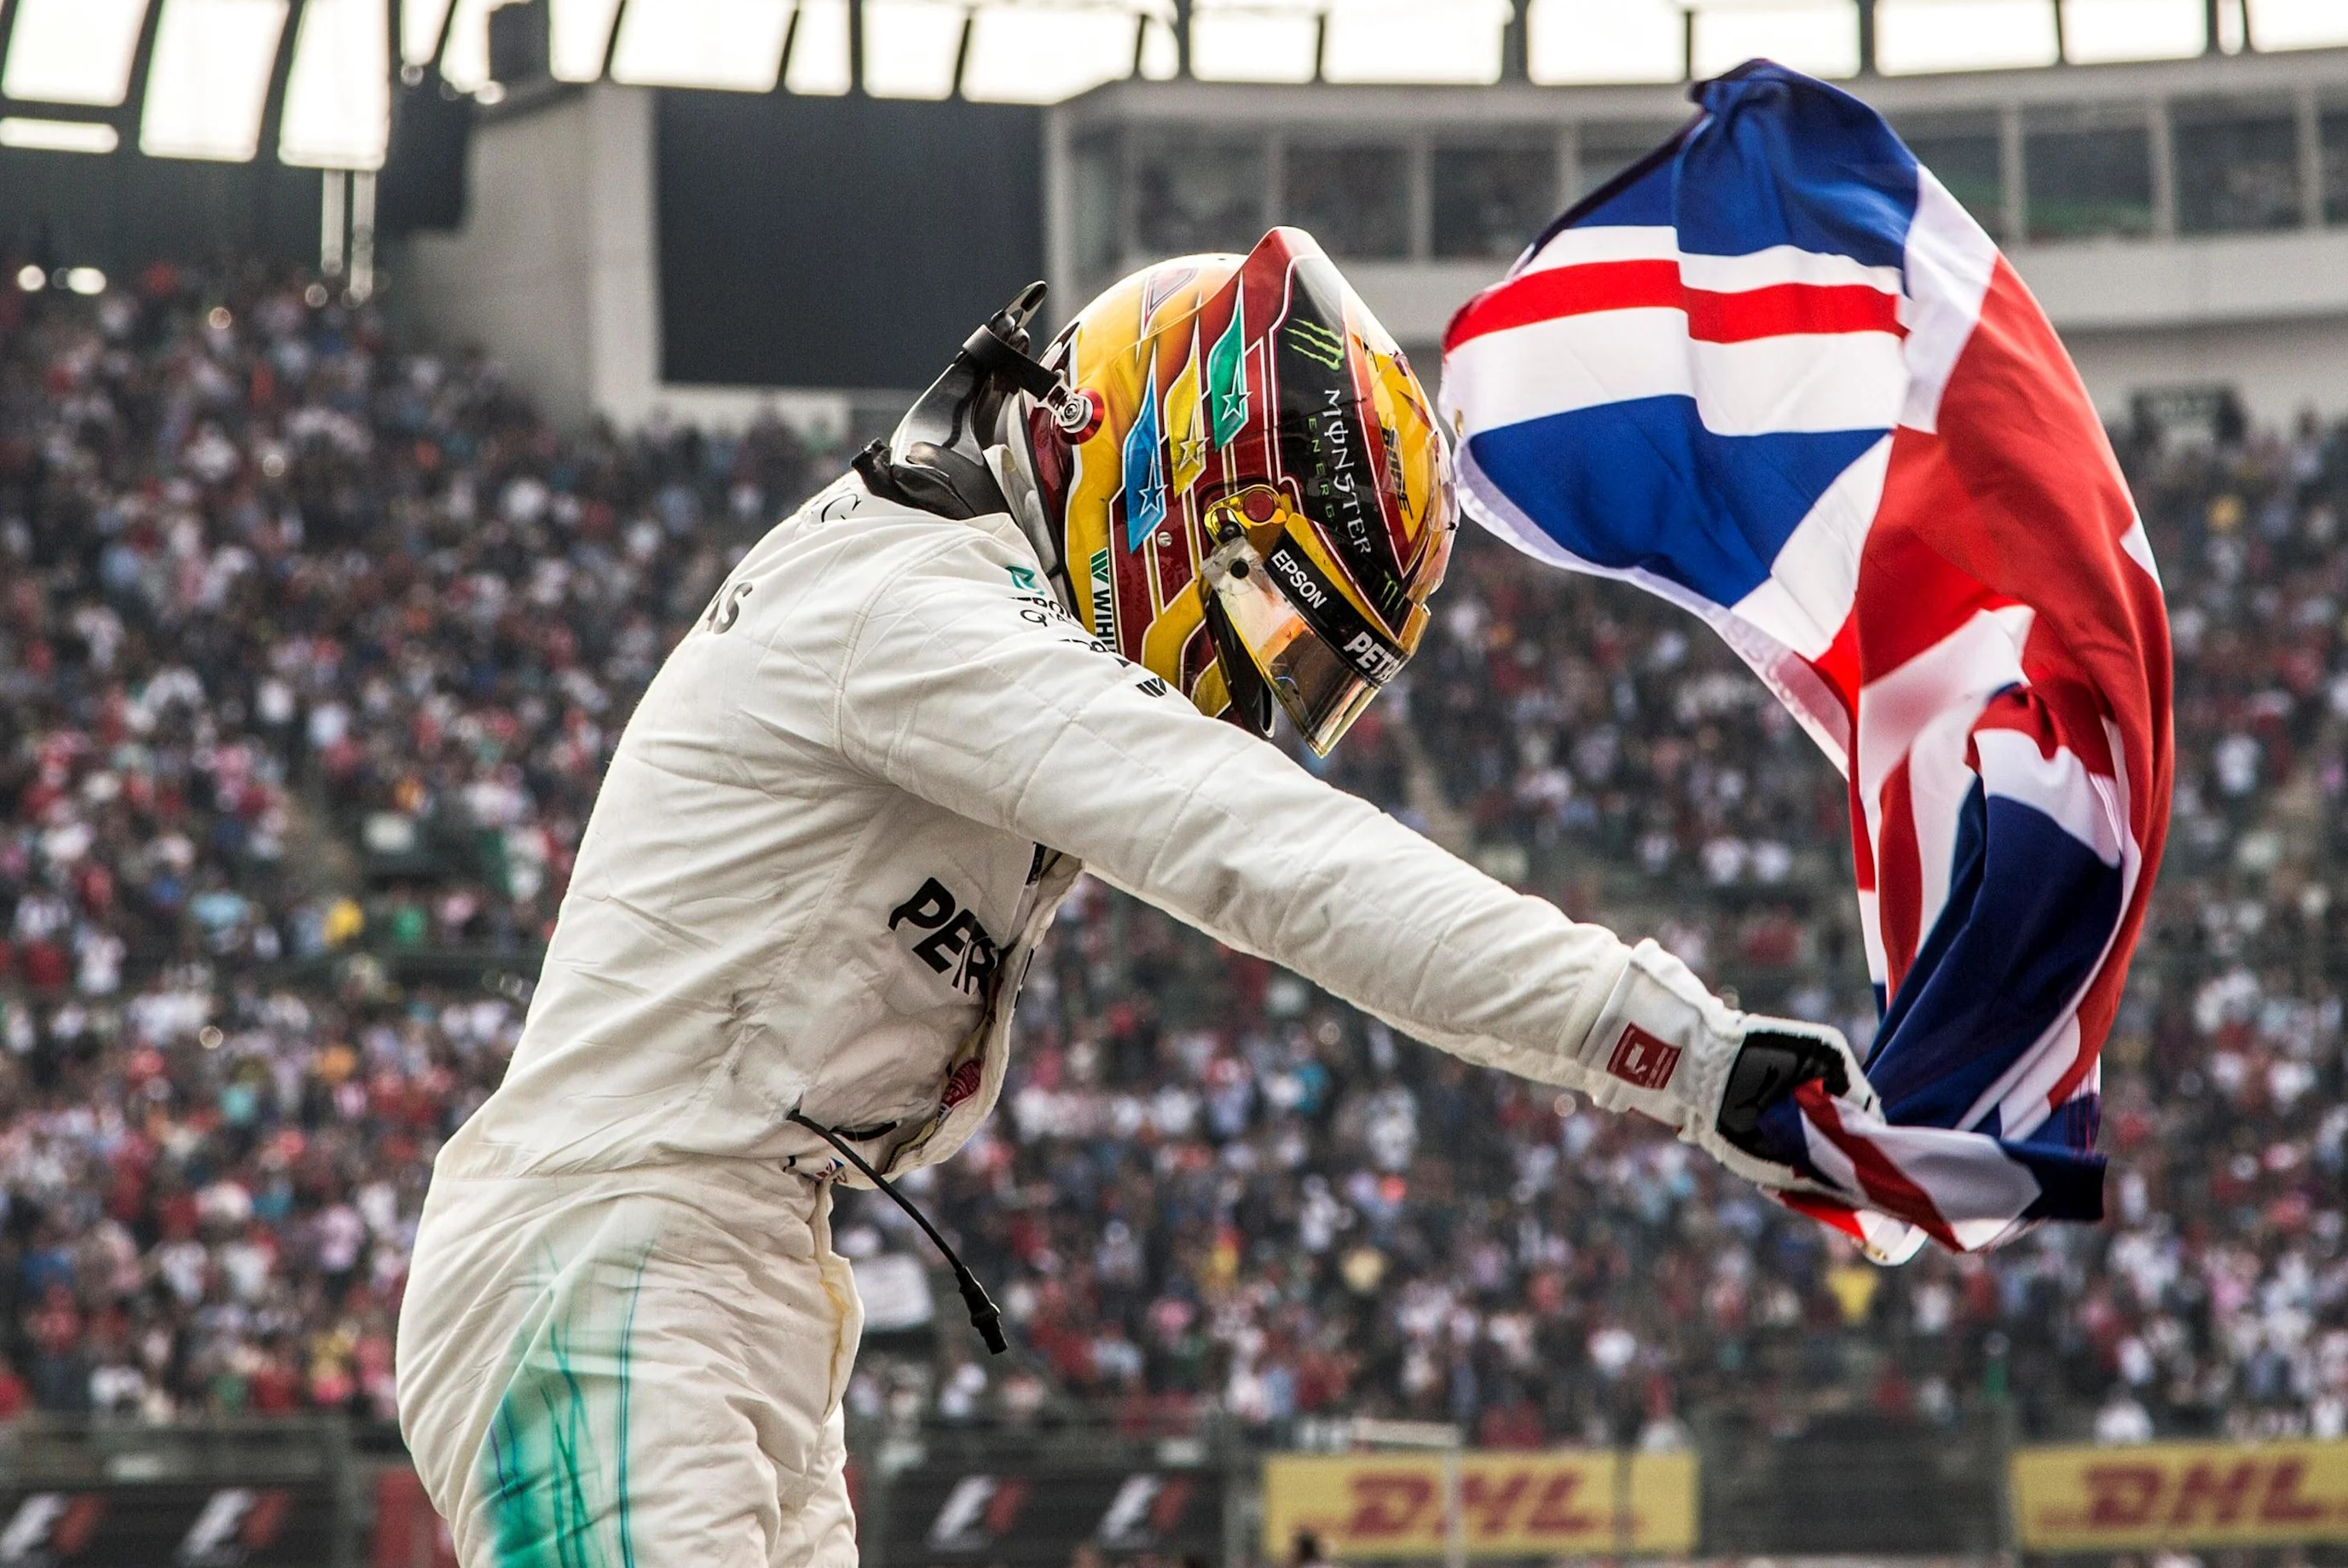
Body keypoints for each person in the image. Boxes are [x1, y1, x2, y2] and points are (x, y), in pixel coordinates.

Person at [393, 228, 1870, 1568]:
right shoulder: (916, 603)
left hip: (717, 1261)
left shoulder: (941, 581)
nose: (1270, 691)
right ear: (1184, 463)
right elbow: (1266, 850)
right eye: (1281, 616)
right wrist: (1674, 1049)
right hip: (617, 1261)